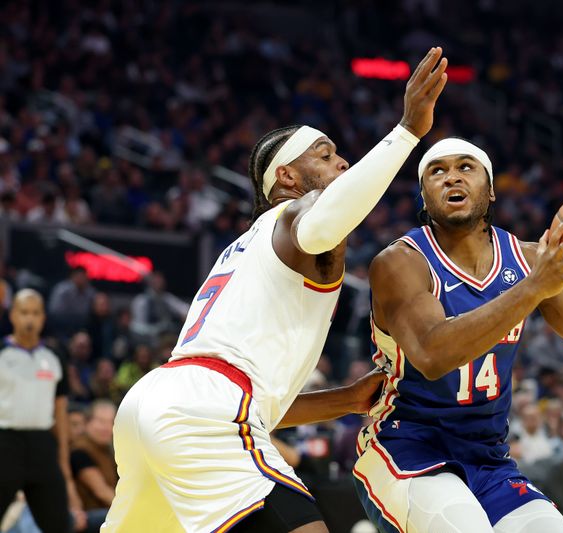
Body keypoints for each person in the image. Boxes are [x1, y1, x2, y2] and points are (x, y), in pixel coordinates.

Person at [102, 47, 448, 533]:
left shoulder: (244, 252)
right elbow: (326, 218)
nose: (344, 163)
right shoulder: (292, 217)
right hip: (206, 410)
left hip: (152, 406)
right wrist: (408, 130)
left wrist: (347, 399)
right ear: (287, 176)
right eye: (325, 156)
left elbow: (255, 405)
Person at [355, 137, 563, 532]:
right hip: (404, 449)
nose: (451, 177)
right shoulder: (401, 262)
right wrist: (533, 288)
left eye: (465, 167)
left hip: (489, 461)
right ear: (423, 197)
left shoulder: (529, 261)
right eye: (436, 171)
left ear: (491, 189)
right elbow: (431, 354)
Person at [0, 289, 86, 532]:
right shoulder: (2, 353)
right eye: (24, 312)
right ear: (13, 315)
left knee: (58, 525)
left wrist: (64, 468)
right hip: (5, 443)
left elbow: (60, 413)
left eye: (36, 313)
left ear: (43, 318)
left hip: (42, 447)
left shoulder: (55, 356)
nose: (30, 319)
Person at [71, 400, 118, 533]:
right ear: (87, 422)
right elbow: (101, 491)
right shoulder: (79, 451)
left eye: (111, 422)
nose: (107, 427)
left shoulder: (108, 450)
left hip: (105, 512)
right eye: (101, 421)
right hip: (86, 517)